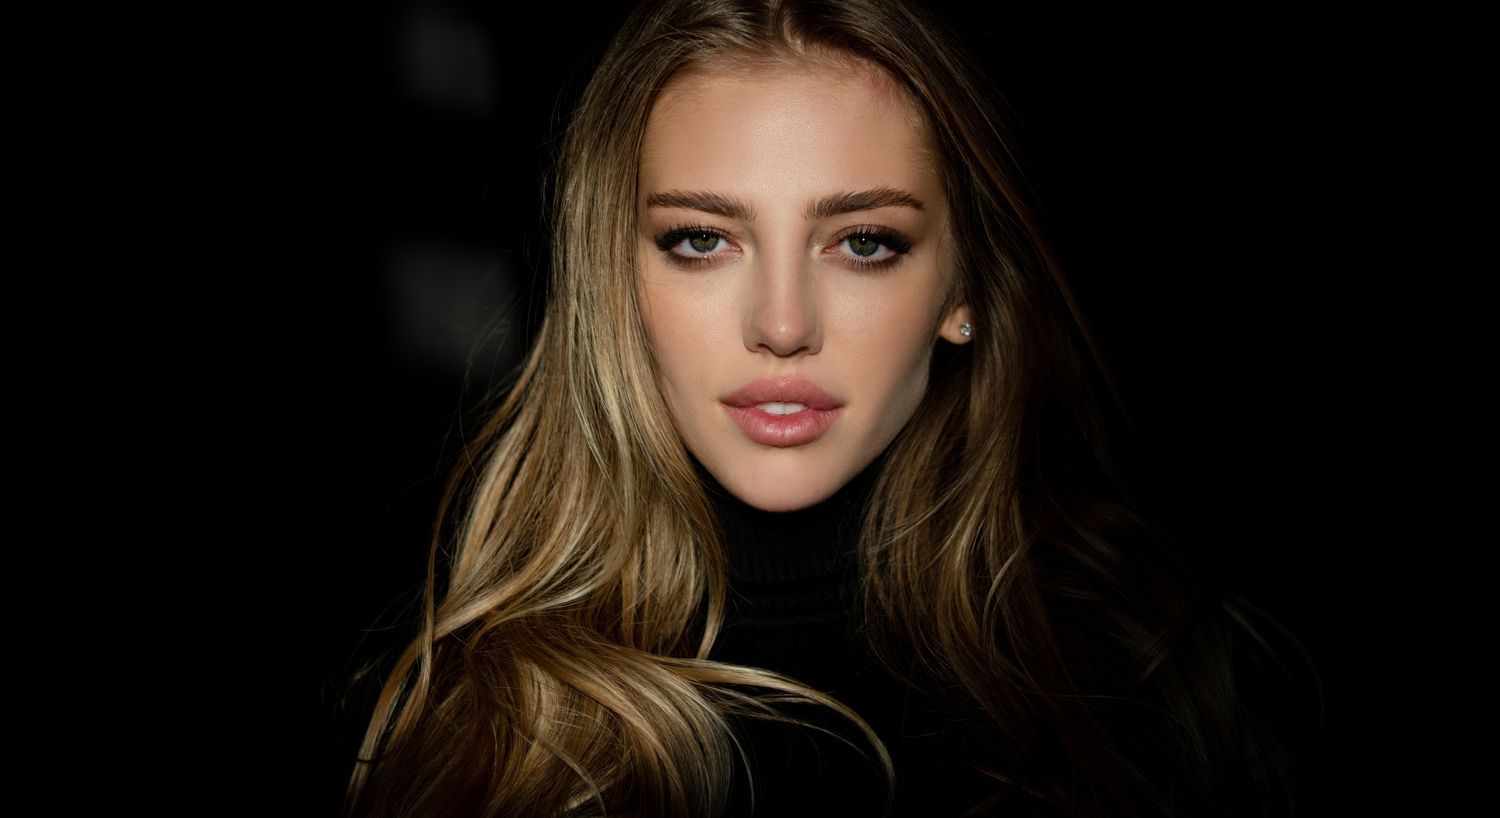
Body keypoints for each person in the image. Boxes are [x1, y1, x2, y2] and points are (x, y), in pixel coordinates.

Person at [346, 0, 1312, 815]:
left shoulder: (1151, 686)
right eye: (699, 240)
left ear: (963, 289)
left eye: (863, 243)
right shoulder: (469, 730)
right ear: (615, 282)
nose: (781, 325)